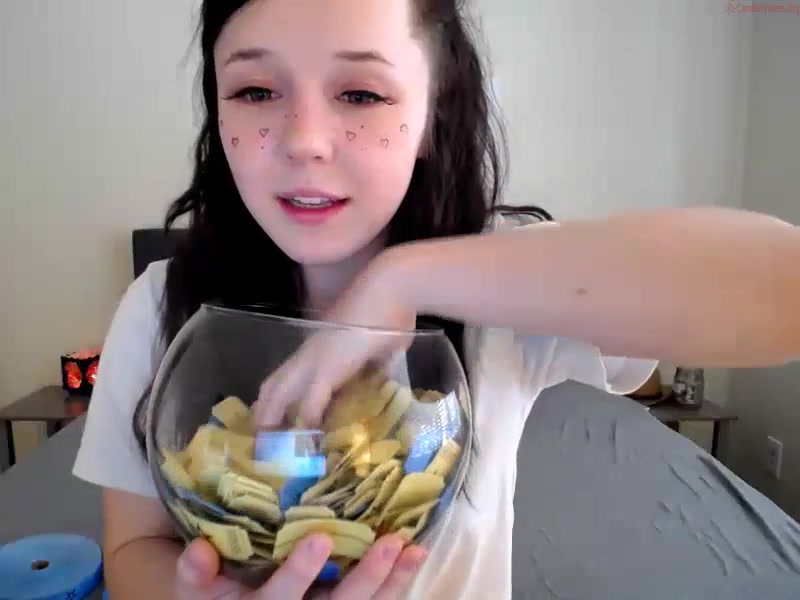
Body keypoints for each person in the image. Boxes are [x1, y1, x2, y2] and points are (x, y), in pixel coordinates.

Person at [71, 0, 800, 598]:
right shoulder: (159, 304)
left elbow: (784, 287)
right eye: (256, 91)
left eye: (361, 94)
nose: (304, 141)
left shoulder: (502, 285)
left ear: (431, 116)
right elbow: (134, 549)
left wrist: (405, 279)